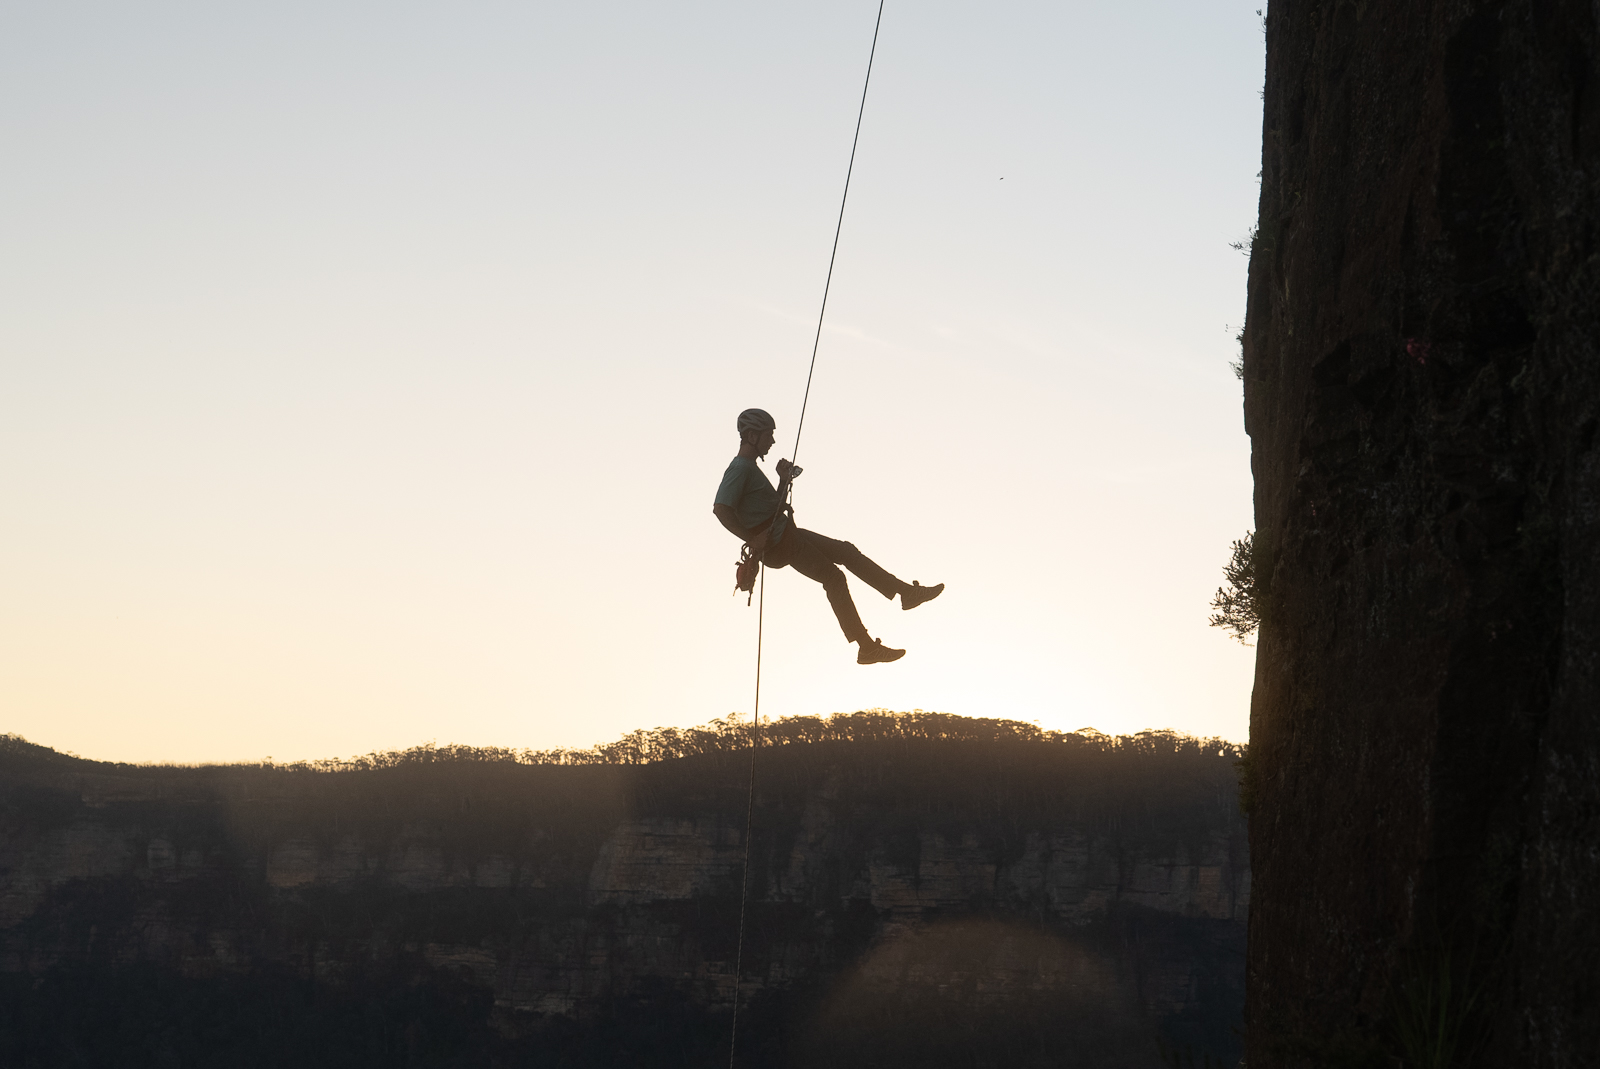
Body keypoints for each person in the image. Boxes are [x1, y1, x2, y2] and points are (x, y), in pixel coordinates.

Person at [712, 408, 943, 664]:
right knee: (834, 577)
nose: (773, 441)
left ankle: (905, 593)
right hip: (782, 544)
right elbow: (721, 508)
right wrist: (751, 538)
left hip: (786, 536)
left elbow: (770, 509)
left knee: (846, 551)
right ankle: (866, 646)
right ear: (753, 436)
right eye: (769, 435)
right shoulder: (740, 468)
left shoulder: (749, 468)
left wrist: (783, 480)